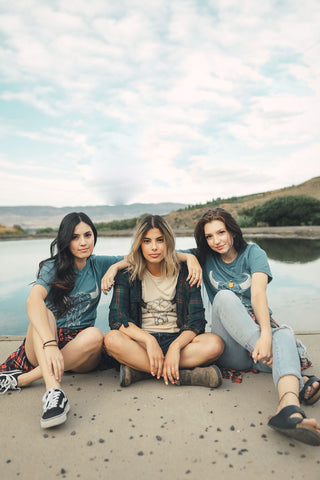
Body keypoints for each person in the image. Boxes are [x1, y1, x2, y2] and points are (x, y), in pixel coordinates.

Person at [190, 207, 320, 445]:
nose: (216, 241)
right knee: (224, 297)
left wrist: (267, 335)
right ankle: (295, 374)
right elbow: (163, 252)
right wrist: (190, 258)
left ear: (232, 231)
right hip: (232, 349)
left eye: (221, 232)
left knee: (284, 332)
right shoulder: (204, 257)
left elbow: (258, 294)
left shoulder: (253, 253)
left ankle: (289, 409)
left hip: (259, 342)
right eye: (209, 236)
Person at [0, 212, 127, 428]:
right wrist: (50, 345)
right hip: (45, 342)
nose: (83, 242)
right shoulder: (53, 267)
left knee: (96, 335)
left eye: (88, 235)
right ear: (65, 240)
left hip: (80, 349)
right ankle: (54, 393)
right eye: (75, 237)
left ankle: (22, 379)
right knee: (44, 312)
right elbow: (33, 301)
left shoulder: (99, 264)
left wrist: (114, 267)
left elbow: (141, 255)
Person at [104, 214, 224, 389]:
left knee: (215, 344)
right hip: (142, 344)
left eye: (160, 240)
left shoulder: (186, 271)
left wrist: (176, 347)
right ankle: (185, 375)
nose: (154, 247)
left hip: (179, 341)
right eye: (147, 241)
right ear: (139, 244)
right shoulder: (127, 274)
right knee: (112, 339)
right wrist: (149, 341)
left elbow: (196, 321)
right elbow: (117, 317)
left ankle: (141, 371)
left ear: (168, 242)